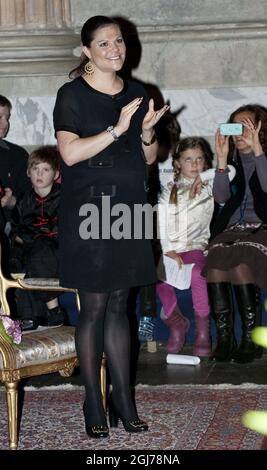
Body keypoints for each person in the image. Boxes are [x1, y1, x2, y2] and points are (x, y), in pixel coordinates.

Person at [53, 15, 169, 438]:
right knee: (96, 306)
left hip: (130, 206)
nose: (115, 49)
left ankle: (124, 400)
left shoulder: (138, 92)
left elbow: (150, 157)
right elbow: (68, 154)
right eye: (104, 44)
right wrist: (116, 128)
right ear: (87, 51)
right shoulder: (72, 94)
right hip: (89, 211)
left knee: (122, 304)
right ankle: (93, 403)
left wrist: (145, 133)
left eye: (118, 41)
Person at [157, 137, 236, 356]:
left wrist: (204, 175)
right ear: (177, 163)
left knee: (198, 276)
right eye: (188, 159)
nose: (194, 164)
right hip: (173, 248)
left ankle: (203, 332)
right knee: (161, 282)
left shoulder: (209, 185)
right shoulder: (169, 190)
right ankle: (177, 325)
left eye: (199, 159)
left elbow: (230, 170)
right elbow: (162, 222)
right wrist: (167, 250)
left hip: (197, 247)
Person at [203, 104, 267, 363]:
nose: (240, 133)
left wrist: (258, 150)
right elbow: (220, 197)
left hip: (262, 229)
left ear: (260, 129)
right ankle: (225, 338)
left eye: (246, 127)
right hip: (233, 230)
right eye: (235, 127)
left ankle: (251, 339)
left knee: (241, 260)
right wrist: (220, 160)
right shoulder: (232, 163)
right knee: (216, 261)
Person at [11, 145, 64, 330]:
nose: (39, 174)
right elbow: (17, 229)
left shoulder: (63, 197)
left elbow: (65, 228)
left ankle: (54, 308)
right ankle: (28, 316)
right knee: (16, 261)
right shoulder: (24, 199)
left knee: (39, 250)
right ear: (28, 172)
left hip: (59, 250)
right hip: (30, 248)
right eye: (35, 169)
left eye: (46, 169)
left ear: (56, 174)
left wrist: (35, 236)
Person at [0, 94, 30, 224]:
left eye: (7, 118)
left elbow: (31, 202)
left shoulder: (18, 155)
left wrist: (12, 201)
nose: (5, 123)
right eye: (0, 117)